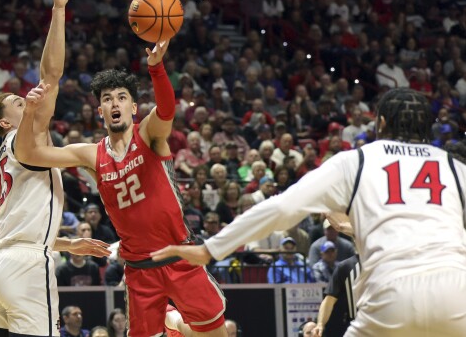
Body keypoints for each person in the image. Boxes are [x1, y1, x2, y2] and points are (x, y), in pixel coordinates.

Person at [152, 88, 466, 336]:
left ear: (380, 123)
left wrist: (211, 249)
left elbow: (283, 207)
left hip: (390, 295)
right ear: (429, 126)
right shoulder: (456, 168)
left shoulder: (356, 160)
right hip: (457, 294)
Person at [17, 39, 228, 335]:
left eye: (121, 97)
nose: (114, 103)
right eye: (107, 99)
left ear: (133, 107)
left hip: (180, 255)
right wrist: (29, 113)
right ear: (100, 111)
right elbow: (29, 154)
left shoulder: (149, 134)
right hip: (140, 269)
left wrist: (156, 68)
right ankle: (173, 320)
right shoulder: (91, 154)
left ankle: (174, 321)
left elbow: (167, 109)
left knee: (216, 333)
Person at [0, 0, 110, 337]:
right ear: (6, 122)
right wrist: (58, 9)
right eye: (19, 104)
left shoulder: (4, 156)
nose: (28, 102)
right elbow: (51, 76)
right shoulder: (26, 139)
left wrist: (68, 243)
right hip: (24, 268)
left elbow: (21, 227)